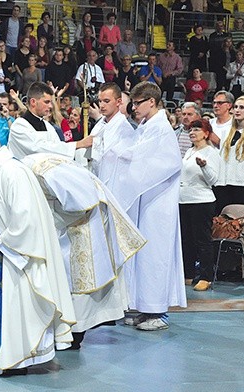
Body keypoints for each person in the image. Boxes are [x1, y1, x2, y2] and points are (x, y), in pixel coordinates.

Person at [0, 141, 76, 376]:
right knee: (12, 307)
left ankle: (12, 361)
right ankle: (11, 359)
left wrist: (0, 242)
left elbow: (25, 221)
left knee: (19, 307)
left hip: (24, 254)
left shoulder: (11, 173)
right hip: (12, 252)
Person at [22, 152, 145, 348]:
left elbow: (81, 203)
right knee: (67, 274)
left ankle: (75, 333)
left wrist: (46, 222)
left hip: (85, 217)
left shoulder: (43, 174)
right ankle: (69, 330)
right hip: (74, 214)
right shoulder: (28, 169)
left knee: (79, 276)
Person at [102, 81, 186, 331]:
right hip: (144, 199)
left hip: (158, 203)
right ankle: (143, 306)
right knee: (141, 255)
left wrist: (128, 158)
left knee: (155, 255)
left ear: (152, 101)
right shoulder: (145, 125)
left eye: (137, 103)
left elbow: (169, 163)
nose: (134, 108)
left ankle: (158, 312)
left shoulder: (161, 127)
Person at [179, 119, 221, 291]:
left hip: (201, 201)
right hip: (184, 200)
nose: (192, 132)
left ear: (205, 133)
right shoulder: (189, 151)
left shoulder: (211, 152)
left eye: (196, 129)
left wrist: (204, 167)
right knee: (186, 240)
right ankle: (188, 274)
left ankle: (205, 276)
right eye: (190, 130)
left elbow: (213, 180)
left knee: (202, 241)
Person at [8, 82, 93, 164]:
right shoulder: (19, 126)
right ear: (33, 102)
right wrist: (78, 144)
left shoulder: (48, 126)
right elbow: (40, 148)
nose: (50, 106)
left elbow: (57, 149)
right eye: (46, 102)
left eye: (50, 102)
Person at [90, 82, 136, 178]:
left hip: (114, 180)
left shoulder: (125, 129)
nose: (101, 105)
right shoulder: (99, 125)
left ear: (118, 102)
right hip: (96, 176)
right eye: (100, 101)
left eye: (106, 101)